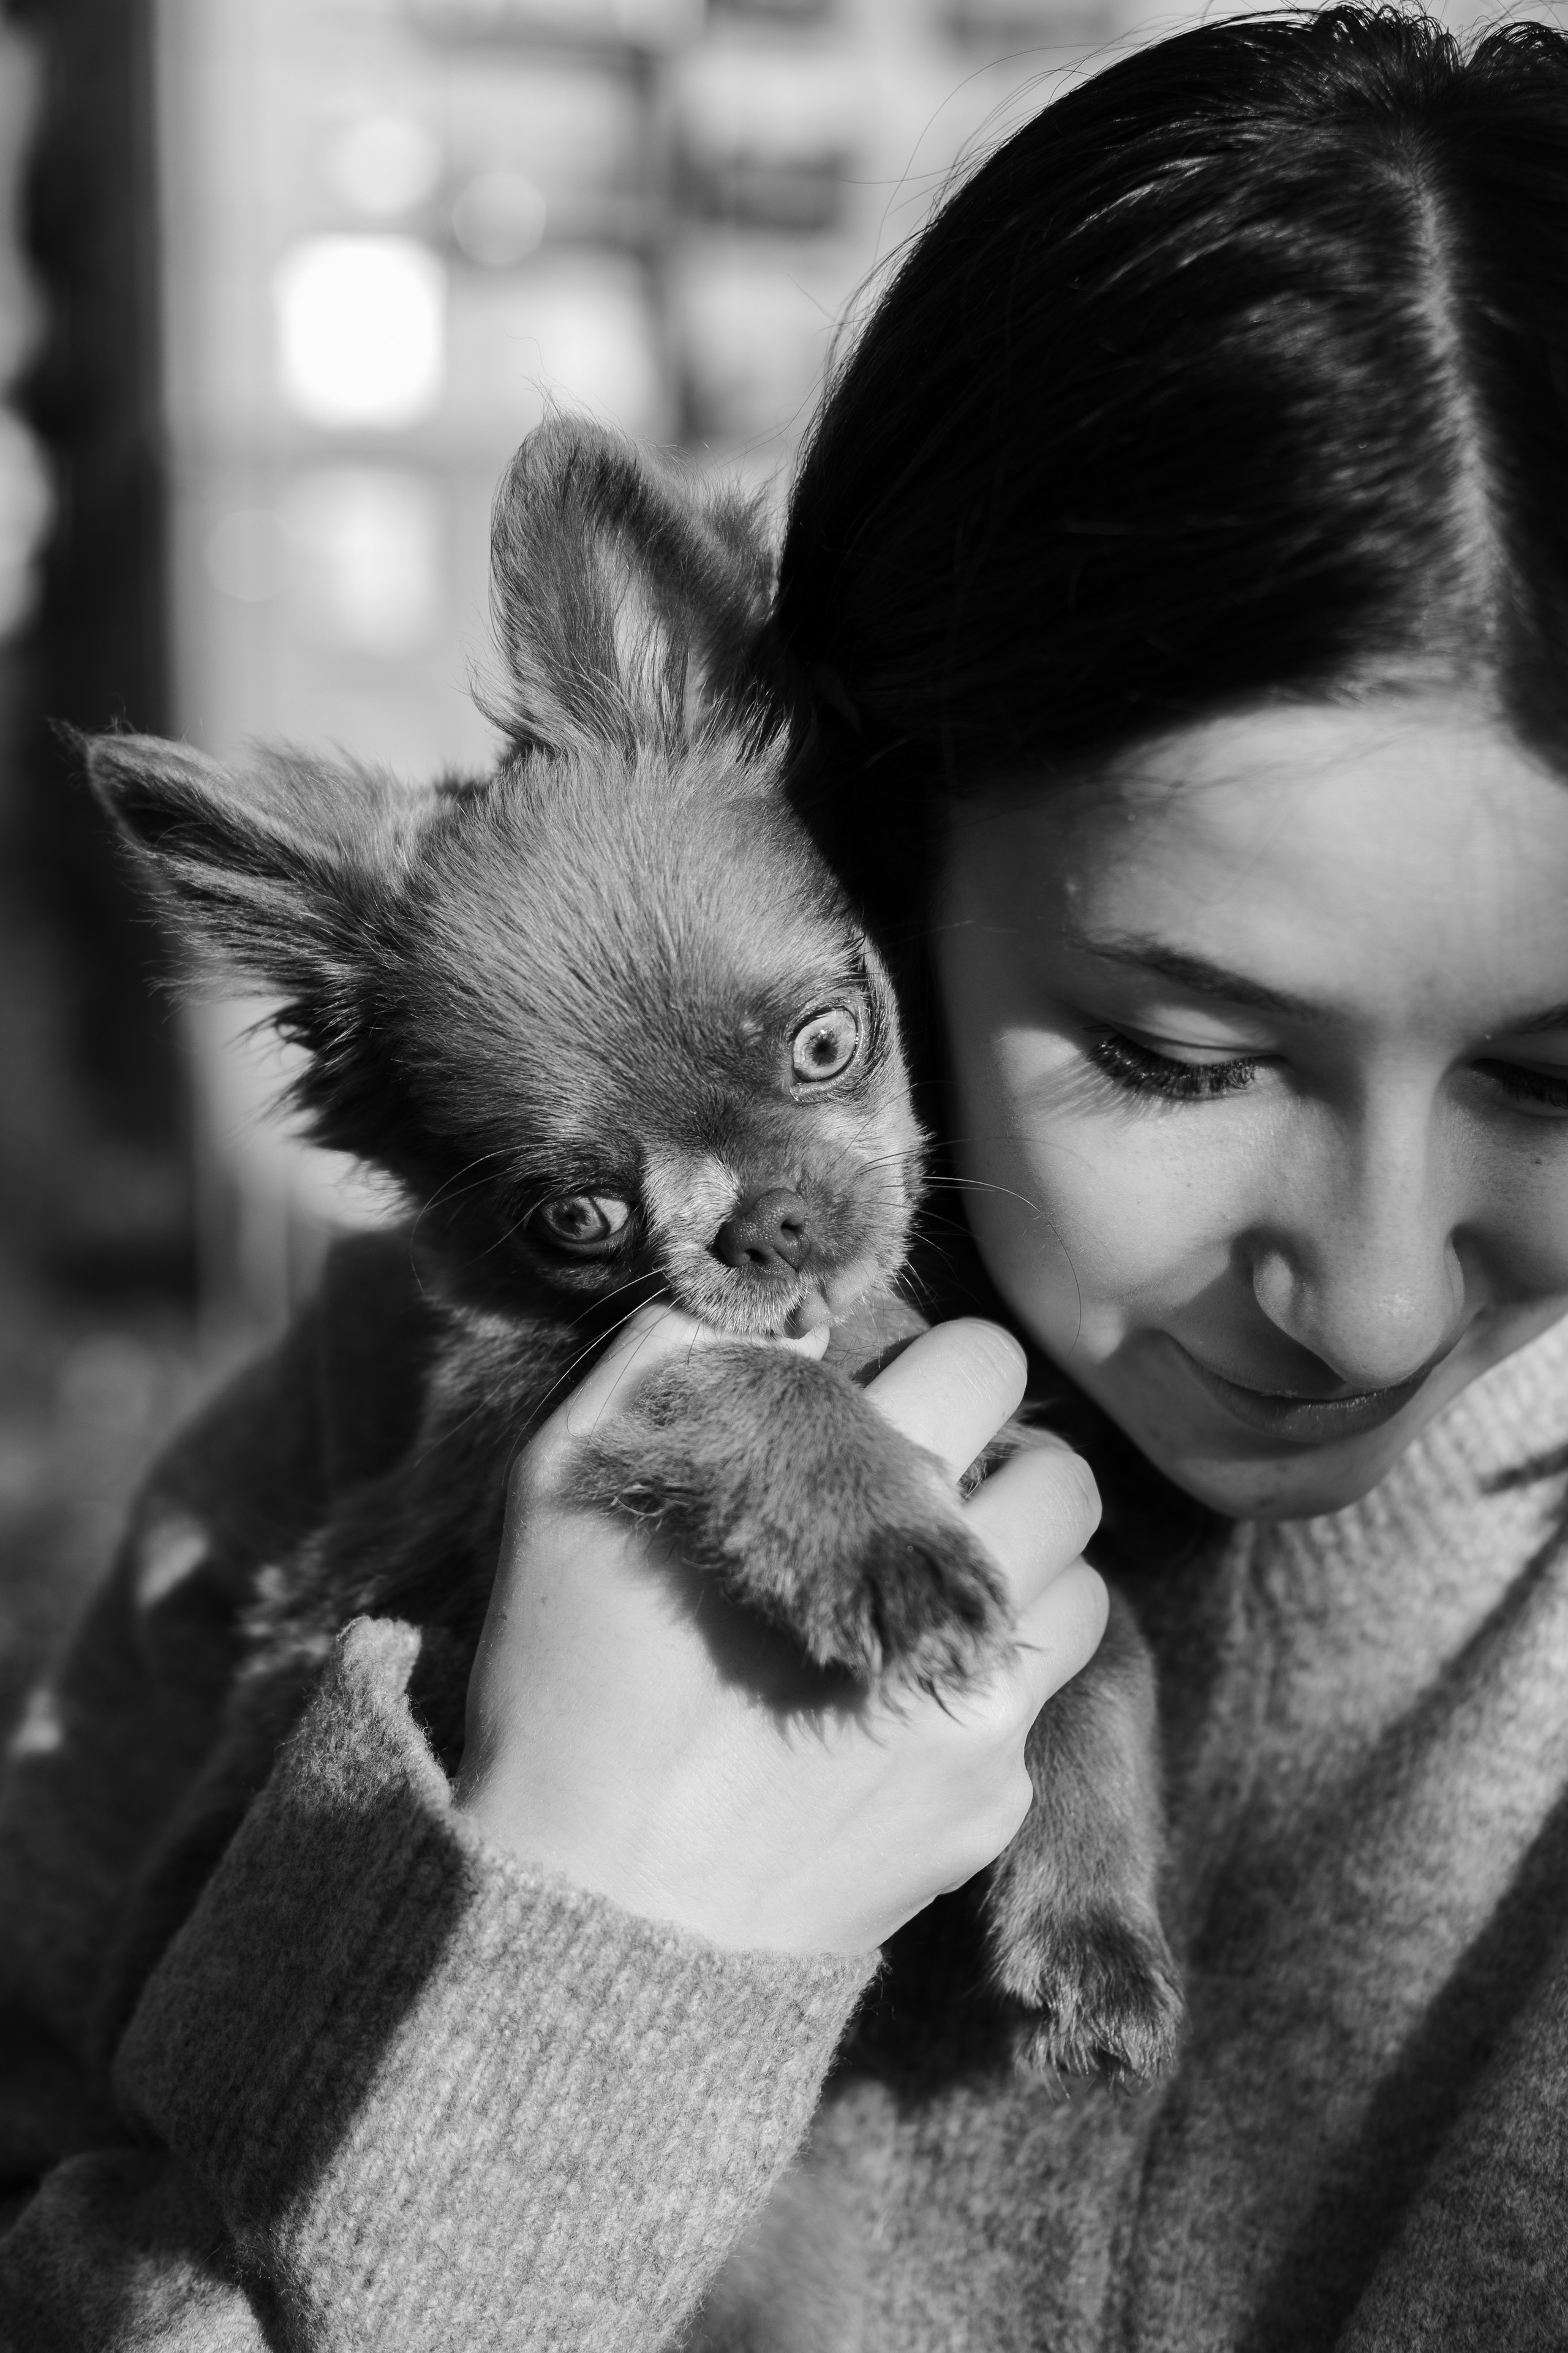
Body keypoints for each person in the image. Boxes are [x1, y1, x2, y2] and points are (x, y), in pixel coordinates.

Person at [3, 6, 1567, 2343]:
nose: (1361, 1296)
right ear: (873, 818)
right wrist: (565, 1936)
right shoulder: (328, 1450)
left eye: (1557, 1076)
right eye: (1170, 1048)